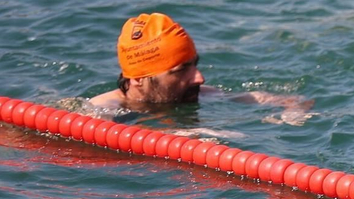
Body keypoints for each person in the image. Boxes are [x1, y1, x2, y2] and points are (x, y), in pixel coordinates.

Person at [88, 12, 312, 124]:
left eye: (194, 65)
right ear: (138, 78)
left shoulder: (206, 95)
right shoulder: (102, 111)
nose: (200, 78)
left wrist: (293, 114)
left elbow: (294, 100)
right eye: (180, 70)